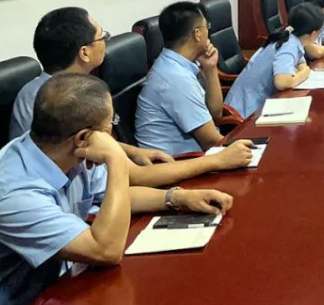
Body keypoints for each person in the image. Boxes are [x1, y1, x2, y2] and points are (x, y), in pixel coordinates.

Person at [0, 74, 233, 305]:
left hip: (66, 280)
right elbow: (106, 250)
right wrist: (117, 159)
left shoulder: (66, 151)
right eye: (110, 126)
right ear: (84, 137)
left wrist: (177, 197)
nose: (112, 136)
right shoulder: (14, 192)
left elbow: (117, 197)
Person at [10, 8, 252, 186]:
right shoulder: (53, 100)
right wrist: (218, 161)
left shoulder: (73, 89)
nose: (105, 42)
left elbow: (93, 144)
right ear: (84, 53)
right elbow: (131, 176)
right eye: (102, 37)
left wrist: (131, 151)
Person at [135, 2, 253, 160]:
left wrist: (210, 68)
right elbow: (210, 141)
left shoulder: (176, 66)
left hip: (196, 155)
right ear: (197, 34)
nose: (208, 32)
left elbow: (216, 113)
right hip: (179, 164)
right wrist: (251, 150)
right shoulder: (174, 78)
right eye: (207, 27)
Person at [225, 3, 324, 116]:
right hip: (245, 112)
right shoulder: (288, 45)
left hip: (255, 105)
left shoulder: (289, 37)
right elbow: (282, 82)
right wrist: (304, 73)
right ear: (314, 33)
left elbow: (300, 63)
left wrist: (302, 70)